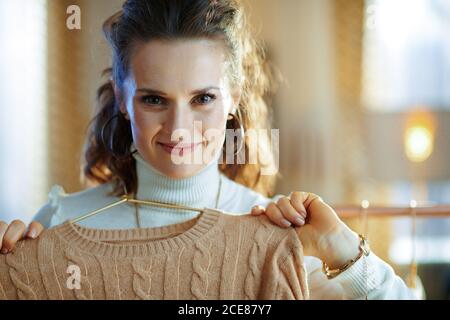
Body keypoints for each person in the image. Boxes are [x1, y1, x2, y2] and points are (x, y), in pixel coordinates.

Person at [0, 0, 414, 299]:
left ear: (233, 96)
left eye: (202, 99)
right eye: (154, 99)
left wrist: (341, 249)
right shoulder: (56, 225)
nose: (180, 130)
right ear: (124, 100)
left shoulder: (276, 242)